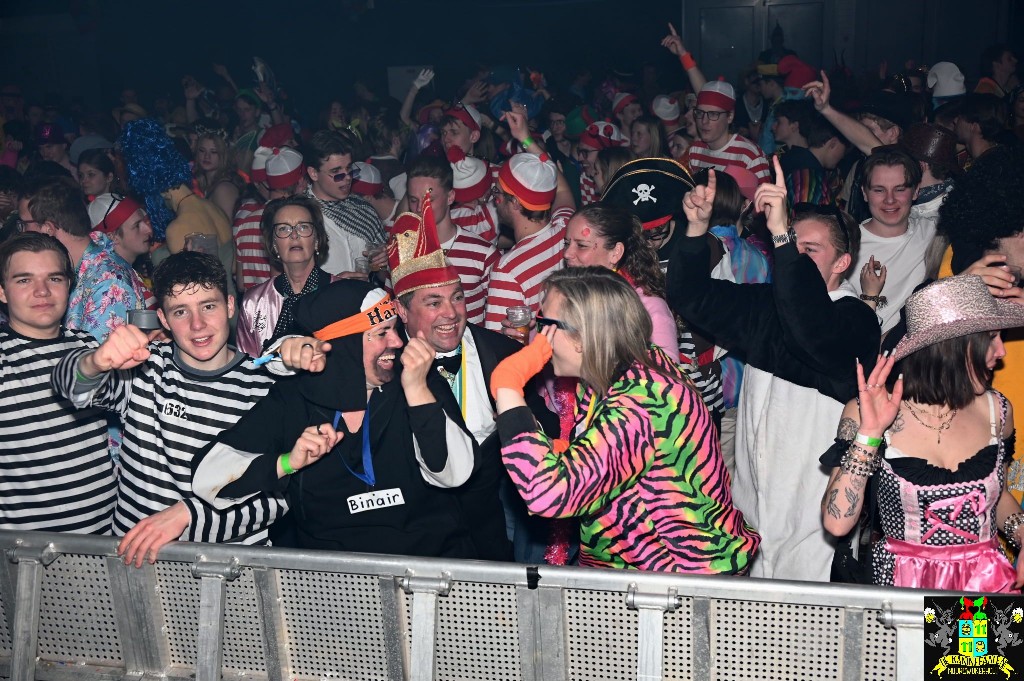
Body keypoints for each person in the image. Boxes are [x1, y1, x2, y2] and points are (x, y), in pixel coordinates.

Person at [668, 161, 880, 581]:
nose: (795, 257)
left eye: (810, 250)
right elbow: (689, 295)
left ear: (842, 262)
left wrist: (782, 236)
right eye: (791, 246)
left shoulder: (855, 320)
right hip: (751, 510)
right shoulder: (765, 305)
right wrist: (694, 230)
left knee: (812, 635)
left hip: (815, 520)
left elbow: (808, 331)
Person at [491, 266, 760, 572]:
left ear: (582, 336)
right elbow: (611, 460)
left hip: (678, 581)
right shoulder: (613, 372)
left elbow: (549, 494)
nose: (539, 336)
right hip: (635, 571)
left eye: (546, 324)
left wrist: (508, 383)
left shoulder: (641, 401)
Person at [193, 280, 481, 557]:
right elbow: (208, 477)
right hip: (335, 586)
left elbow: (453, 474)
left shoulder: (417, 379)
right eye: (381, 333)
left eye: (394, 330)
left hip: (428, 570)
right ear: (345, 343)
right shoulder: (294, 398)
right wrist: (287, 462)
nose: (396, 341)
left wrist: (417, 389)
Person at [52, 252, 288, 566]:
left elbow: (277, 497)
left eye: (208, 306)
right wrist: (94, 363)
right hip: (138, 561)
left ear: (230, 306)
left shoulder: (264, 386)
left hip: (230, 566)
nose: (197, 324)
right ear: (163, 319)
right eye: (180, 311)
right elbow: (68, 388)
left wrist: (188, 515)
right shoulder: (145, 368)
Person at [821, 275, 1024, 591]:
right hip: (904, 591)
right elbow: (836, 523)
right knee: (922, 642)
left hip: (985, 589)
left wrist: (1023, 535)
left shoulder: (998, 410)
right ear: (956, 347)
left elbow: (997, 498)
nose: (1002, 351)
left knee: (978, 644)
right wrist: (870, 433)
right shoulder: (870, 411)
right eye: (993, 337)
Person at [0, 232, 115, 532]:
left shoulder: (88, 346)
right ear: (2, 292)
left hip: (107, 538)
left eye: (54, 279)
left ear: (69, 286)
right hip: (30, 554)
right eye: (24, 280)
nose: (42, 292)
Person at [17, 178, 148, 341]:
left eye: (23, 224)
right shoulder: (73, 268)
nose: (21, 233)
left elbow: (97, 361)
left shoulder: (108, 283)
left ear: (48, 229)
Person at [484, 149, 574, 333]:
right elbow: (563, 190)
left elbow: (496, 348)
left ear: (516, 203)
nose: (495, 200)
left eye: (497, 193)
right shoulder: (567, 229)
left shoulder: (508, 271)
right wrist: (526, 139)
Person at [236, 195, 332, 357]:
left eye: (303, 227)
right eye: (283, 229)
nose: (294, 235)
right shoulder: (254, 302)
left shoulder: (342, 294)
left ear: (316, 240)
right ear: (274, 245)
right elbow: (247, 366)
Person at [303, 130, 386, 277]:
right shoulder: (300, 214)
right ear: (313, 173)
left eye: (349, 169)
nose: (347, 178)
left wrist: (384, 261)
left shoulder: (363, 209)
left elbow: (381, 274)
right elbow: (289, 280)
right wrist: (333, 285)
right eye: (337, 172)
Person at [193, 130, 243, 220]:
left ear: (223, 155)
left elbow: (227, 229)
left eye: (213, 152)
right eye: (202, 151)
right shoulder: (206, 185)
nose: (206, 156)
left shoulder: (224, 189)